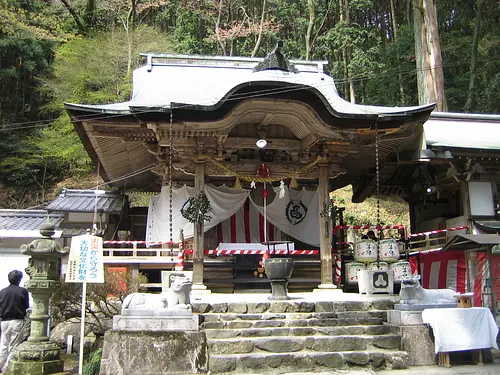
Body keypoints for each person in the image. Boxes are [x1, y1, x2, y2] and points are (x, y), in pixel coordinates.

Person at [0, 270, 29, 373]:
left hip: (4, 321)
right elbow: (26, 306)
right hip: (17, 320)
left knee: (4, 344)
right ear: (19, 279)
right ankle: (7, 368)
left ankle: (0, 365)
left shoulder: (2, 291)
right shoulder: (23, 291)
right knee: (14, 345)